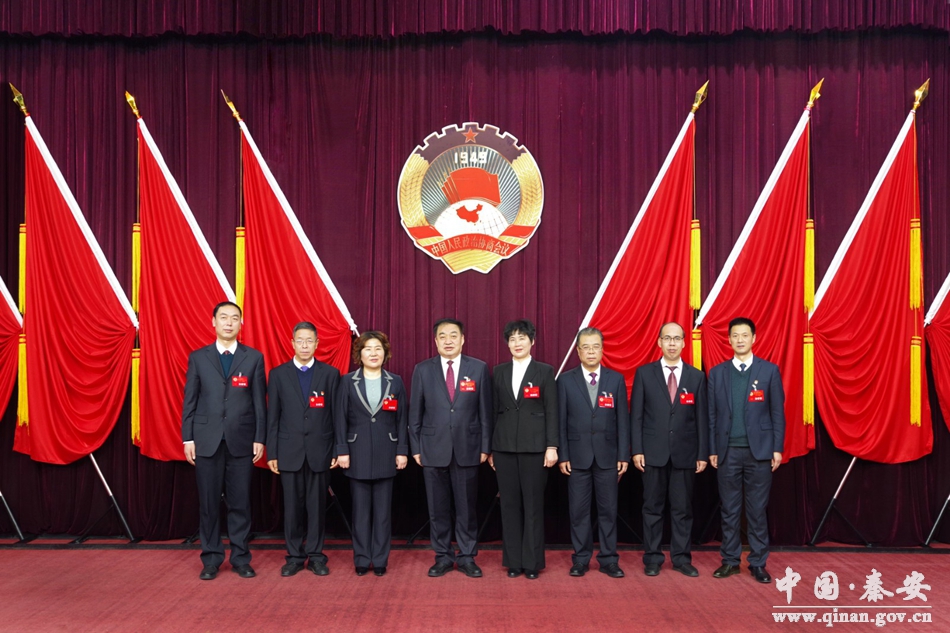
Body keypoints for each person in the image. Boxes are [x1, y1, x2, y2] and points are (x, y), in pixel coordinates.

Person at [182, 301, 266, 580]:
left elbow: (259, 402)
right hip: (206, 440)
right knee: (208, 504)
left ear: (241, 324)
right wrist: (187, 437)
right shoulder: (199, 357)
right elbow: (190, 400)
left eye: (234, 318)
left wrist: (260, 437)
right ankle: (211, 559)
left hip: (242, 440)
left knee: (240, 503)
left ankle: (241, 558)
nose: (229, 323)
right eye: (224, 317)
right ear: (213, 322)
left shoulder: (253, 358)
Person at [409, 318, 492, 578]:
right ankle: (443, 556)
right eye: (442, 336)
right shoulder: (422, 370)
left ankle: (467, 556)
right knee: (438, 509)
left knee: (467, 508)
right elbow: (415, 414)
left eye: (453, 335)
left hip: (468, 447)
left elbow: (485, 412)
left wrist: (485, 446)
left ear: (463, 339)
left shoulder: (478, 368)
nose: (448, 340)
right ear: (435, 341)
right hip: (432, 448)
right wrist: (415, 447)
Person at [708, 317, 785, 584]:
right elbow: (712, 415)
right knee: (729, 509)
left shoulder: (769, 371)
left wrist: (777, 448)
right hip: (727, 451)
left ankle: (758, 562)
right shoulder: (717, 373)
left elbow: (777, 413)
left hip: (759, 452)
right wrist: (712, 449)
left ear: (754, 338)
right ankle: (730, 561)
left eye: (744, 335)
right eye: (735, 335)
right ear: (729, 340)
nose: (740, 340)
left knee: (756, 510)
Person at [631, 322, 708, 578]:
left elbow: (702, 418)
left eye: (676, 339)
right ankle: (652, 558)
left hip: (685, 453)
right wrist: (637, 450)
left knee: (682, 510)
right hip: (652, 453)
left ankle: (681, 558)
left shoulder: (696, 376)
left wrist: (702, 453)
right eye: (667, 338)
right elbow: (636, 416)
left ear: (684, 342)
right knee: (652, 508)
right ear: (659, 342)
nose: (672, 343)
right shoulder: (645, 374)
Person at [265, 321, 340, 577]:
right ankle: (295, 556)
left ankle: (316, 556)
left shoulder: (330, 374)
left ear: (317, 344)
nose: (305, 345)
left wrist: (336, 450)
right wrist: (272, 452)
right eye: (300, 340)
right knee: (292, 508)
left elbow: (336, 416)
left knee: (317, 508)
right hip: (289, 451)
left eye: (309, 341)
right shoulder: (278, 374)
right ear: (292, 343)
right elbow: (273, 417)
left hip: (321, 450)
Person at [334, 331, 408, 577]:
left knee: (383, 514)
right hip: (357, 453)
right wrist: (342, 450)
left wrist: (402, 451)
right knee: (361, 513)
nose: (373, 353)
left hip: (388, 452)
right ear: (360, 353)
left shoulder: (395, 381)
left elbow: (402, 419)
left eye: (378, 348)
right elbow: (340, 418)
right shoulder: (348, 381)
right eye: (368, 348)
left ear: (385, 353)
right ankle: (362, 558)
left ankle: (380, 559)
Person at [557, 327, 629, 578]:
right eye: (585, 347)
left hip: (608, 457)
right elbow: (560, 421)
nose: (590, 351)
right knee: (579, 512)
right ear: (578, 351)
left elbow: (623, 421)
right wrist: (563, 455)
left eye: (595, 346)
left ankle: (609, 559)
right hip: (576, 457)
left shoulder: (615, 379)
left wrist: (623, 455)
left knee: (608, 511)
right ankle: (580, 559)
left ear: (602, 349)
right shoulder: (565, 380)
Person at [490, 319, 559, 580]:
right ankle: (513, 561)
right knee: (509, 506)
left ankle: (532, 562)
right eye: (512, 339)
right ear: (507, 344)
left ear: (532, 341)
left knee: (533, 506)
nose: (517, 343)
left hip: (535, 448)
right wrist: (491, 448)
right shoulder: (498, 371)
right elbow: (492, 410)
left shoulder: (544, 371)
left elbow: (552, 411)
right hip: (504, 447)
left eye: (522, 338)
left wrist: (552, 446)